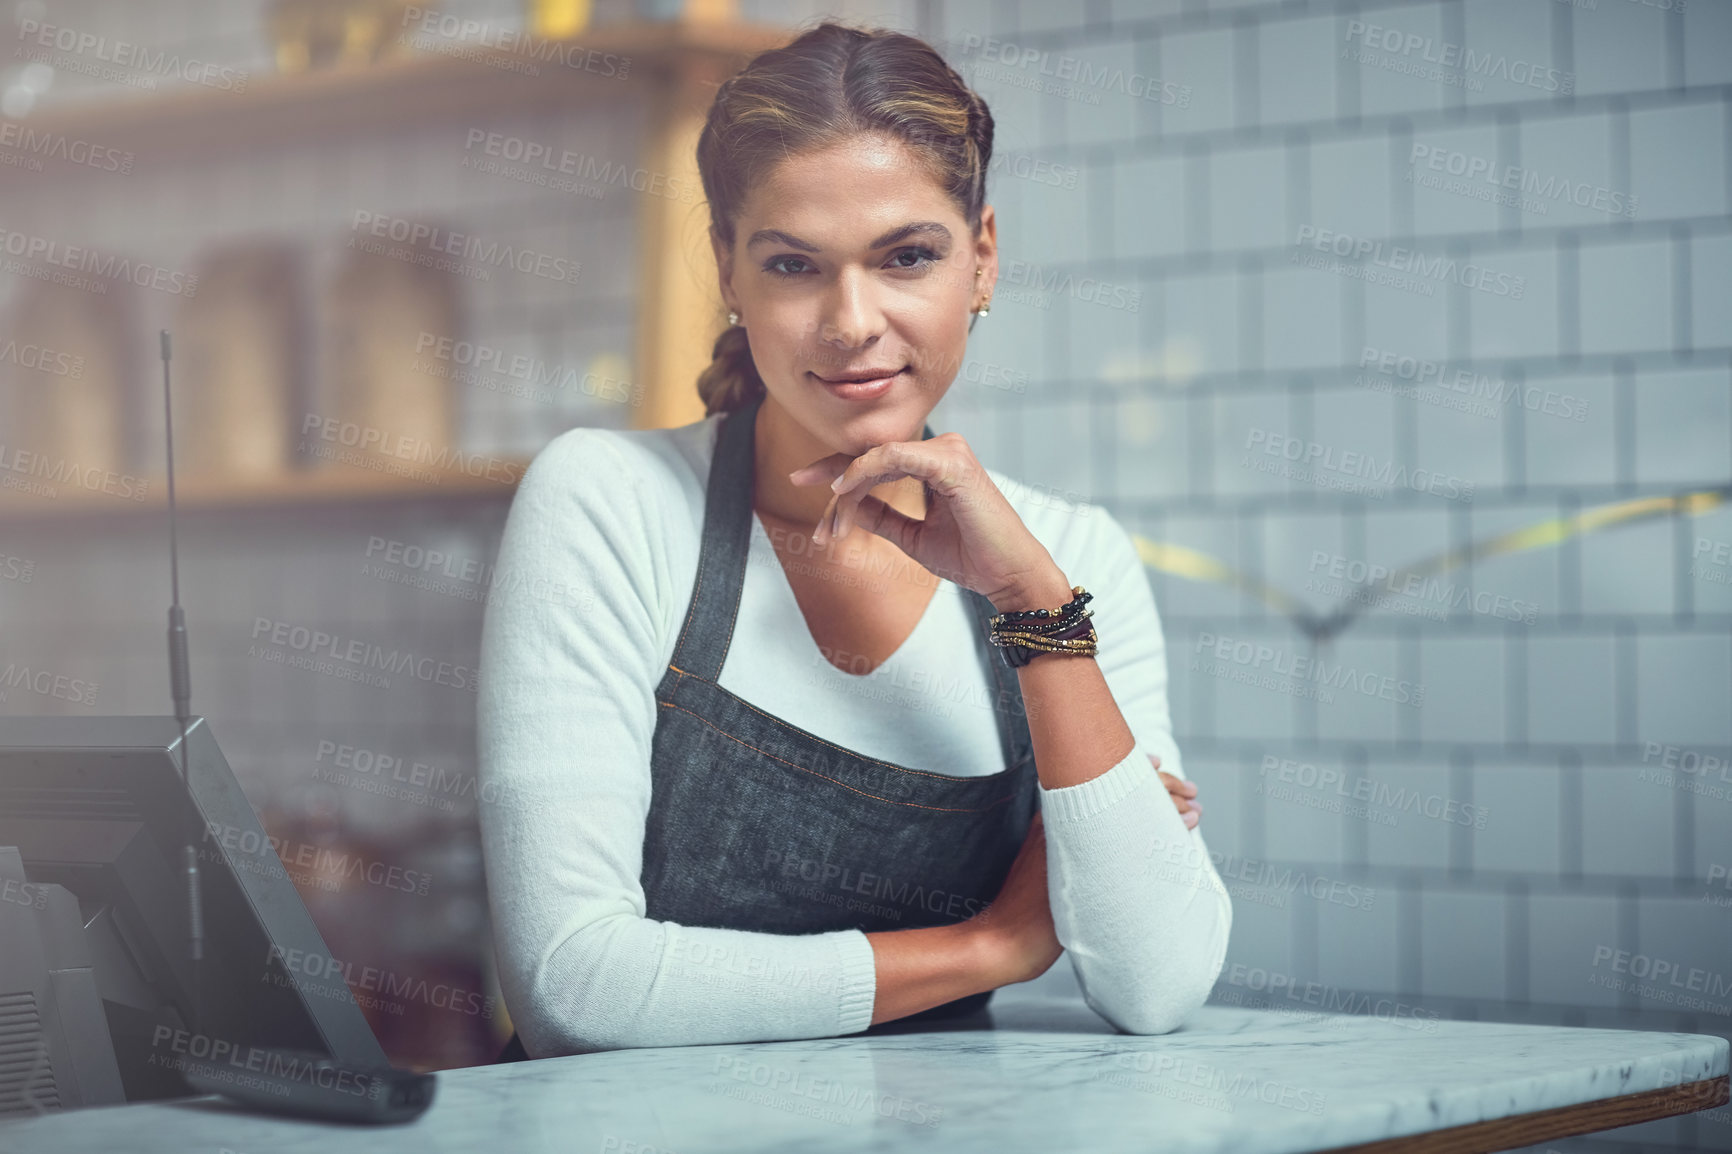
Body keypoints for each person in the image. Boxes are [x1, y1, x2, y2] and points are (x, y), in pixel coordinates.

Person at [478, 19, 1230, 1060]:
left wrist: (1031, 609)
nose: (850, 321)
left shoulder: (1068, 558)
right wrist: (987, 945)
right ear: (729, 274)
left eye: (907, 256)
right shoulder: (611, 502)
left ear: (982, 259)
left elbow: (1156, 980)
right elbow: (575, 982)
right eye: (793, 264)